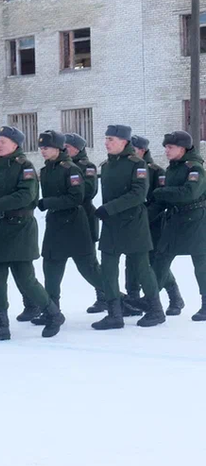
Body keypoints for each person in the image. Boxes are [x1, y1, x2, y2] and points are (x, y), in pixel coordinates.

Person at [0, 126, 63, 340]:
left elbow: (26, 195)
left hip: (20, 228)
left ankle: (53, 313)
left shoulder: (25, 167)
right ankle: (0, 322)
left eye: (3, 142)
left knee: (26, 278)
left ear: (15, 144)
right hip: (0, 229)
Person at [92, 124, 165, 329]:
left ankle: (156, 310)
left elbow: (138, 194)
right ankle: (115, 314)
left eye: (111, 139)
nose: (106, 143)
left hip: (133, 223)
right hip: (111, 224)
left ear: (124, 142)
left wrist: (109, 208)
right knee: (108, 269)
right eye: (106, 139)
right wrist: (107, 211)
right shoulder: (106, 165)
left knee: (142, 268)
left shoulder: (137, 164)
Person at [36, 130, 103, 321]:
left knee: (89, 268)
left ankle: (117, 300)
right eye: (41, 148)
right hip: (55, 223)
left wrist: (49, 202)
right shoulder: (46, 169)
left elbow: (79, 196)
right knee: (50, 266)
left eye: (46, 148)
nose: (42, 151)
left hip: (76, 223)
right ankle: (52, 309)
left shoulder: (73, 168)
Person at [125, 135, 184, 317]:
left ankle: (175, 298)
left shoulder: (156, 171)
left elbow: (161, 200)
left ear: (142, 150)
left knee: (153, 263)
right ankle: (132, 298)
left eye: (133, 149)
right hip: (131, 223)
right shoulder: (126, 168)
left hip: (153, 224)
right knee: (131, 261)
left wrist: (144, 218)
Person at [150, 131, 205, 321]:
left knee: (201, 264)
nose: (166, 150)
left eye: (170, 147)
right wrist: (143, 219)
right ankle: (151, 299)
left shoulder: (195, 168)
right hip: (175, 220)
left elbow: (189, 193)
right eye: (166, 147)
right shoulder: (172, 168)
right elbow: (165, 198)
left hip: (196, 221)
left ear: (182, 149)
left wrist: (162, 192)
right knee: (161, 258)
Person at [63, 133, 107, 312]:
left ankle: (105, 296)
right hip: (66, 219)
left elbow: (88, 190)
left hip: (85, 216)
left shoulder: (87, 166)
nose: (64, 149)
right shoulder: (62, 166)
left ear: (77, 148)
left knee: (90, 263)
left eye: (67, 146)